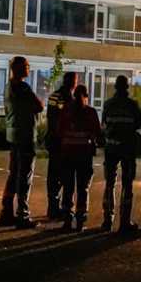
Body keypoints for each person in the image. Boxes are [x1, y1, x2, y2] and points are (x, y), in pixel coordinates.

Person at [0, 57, 43, 230]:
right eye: (26, 65)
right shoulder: (23, 88)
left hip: (13, 135)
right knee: (24, 176)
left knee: (13, 174)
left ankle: (6, 212)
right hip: (25, 136)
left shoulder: (8, 87)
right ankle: (22, 215)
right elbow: (39, 106)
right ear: (17, 68)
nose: (29, 68)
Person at [101, 75, 141, 232]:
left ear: (115, 87)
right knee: (127, 184)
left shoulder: (108, 104)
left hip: (111, 148)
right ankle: (124, 222)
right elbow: (138, 124)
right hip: (128, 148)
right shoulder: (132, 105)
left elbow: (104, 122)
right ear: (127, 87)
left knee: (109, 184)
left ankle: (107, 220)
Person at [56, 85, 101, 232]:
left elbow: (59, 131)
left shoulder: (66, 111)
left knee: (69, 187)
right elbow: (97, 133)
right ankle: (80, 220)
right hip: (83, 155)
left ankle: (68, 220)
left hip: (69, 154)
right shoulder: (90, 112)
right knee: (82, 188)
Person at [45, 71, 77, 219]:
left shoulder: (53, 95)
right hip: (62, 141)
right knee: (63, 175)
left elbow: (51, 116)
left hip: (51, 138)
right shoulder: (68, 98)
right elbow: (68, 119)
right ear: (73, 82)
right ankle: (59, 208)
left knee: (52, 174)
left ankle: (52, 206)